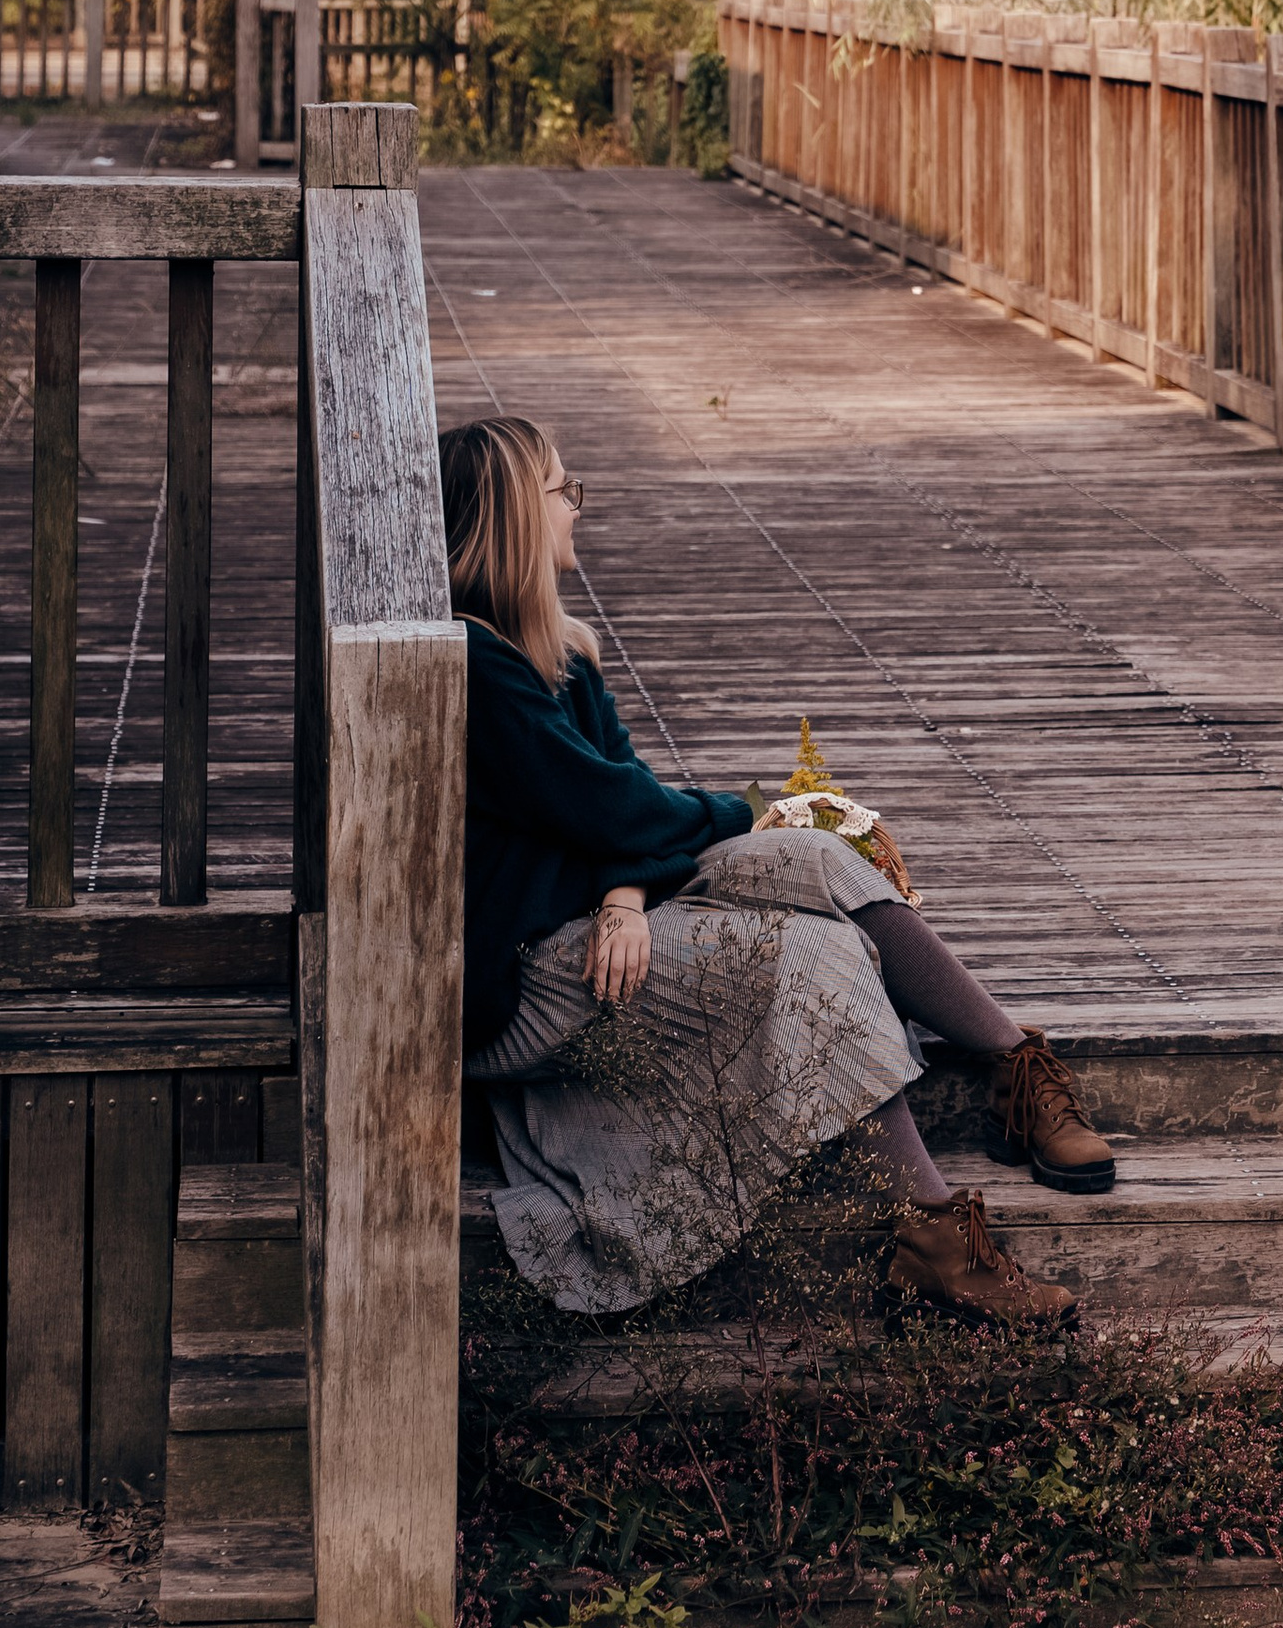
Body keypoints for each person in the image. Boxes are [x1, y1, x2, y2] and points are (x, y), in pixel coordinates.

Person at [441, 414, 1113, 1323]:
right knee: (810, 952)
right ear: (518, 514)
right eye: (564, 490)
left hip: (591, 923)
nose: (578, 507)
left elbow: (613, 808)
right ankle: (938, 1246)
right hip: (527, 980)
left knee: (813, 851)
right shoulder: (478, 668)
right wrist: (745, 809)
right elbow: (610, 808)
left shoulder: (559, 656)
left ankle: (1014, 1066)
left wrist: (625, 896)